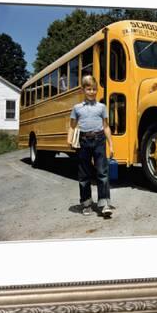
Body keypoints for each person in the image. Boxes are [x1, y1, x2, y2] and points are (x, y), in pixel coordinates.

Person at [68, 75, 115, 217]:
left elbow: (106, 127)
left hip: (99, 139)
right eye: (89, 89)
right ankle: (86, 203)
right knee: (84, 174)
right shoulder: (77, 108)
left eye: (94, 89)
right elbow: (72, 126)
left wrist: (111, 145)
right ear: (83, 90)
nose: (92, 92)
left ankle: (104, 202)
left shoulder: (102, 107)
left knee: (102, 172)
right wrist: (69, 140)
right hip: (83, 141)